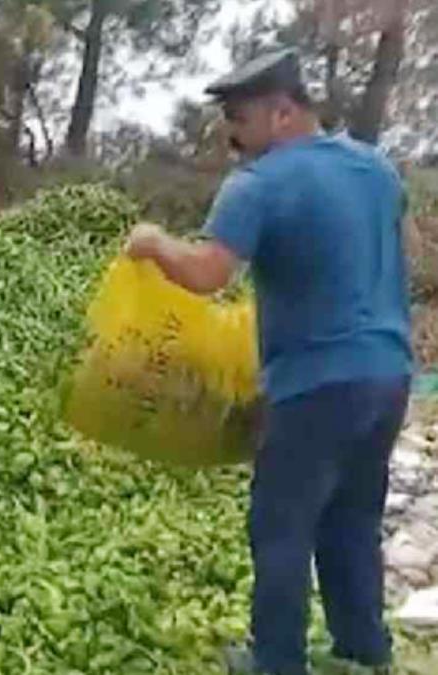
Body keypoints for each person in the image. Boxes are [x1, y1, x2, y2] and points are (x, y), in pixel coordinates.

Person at [125, 47, 413, 675]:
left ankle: (277, 661)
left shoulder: (260, 183)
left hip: (316, 383)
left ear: (282, 112)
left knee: (282, 525)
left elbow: (209, 274)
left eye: (240, 119)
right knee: (353, 519)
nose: (232, 136)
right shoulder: (376, 168)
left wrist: (154, 244)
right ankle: (365, 652)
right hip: (390, 374)